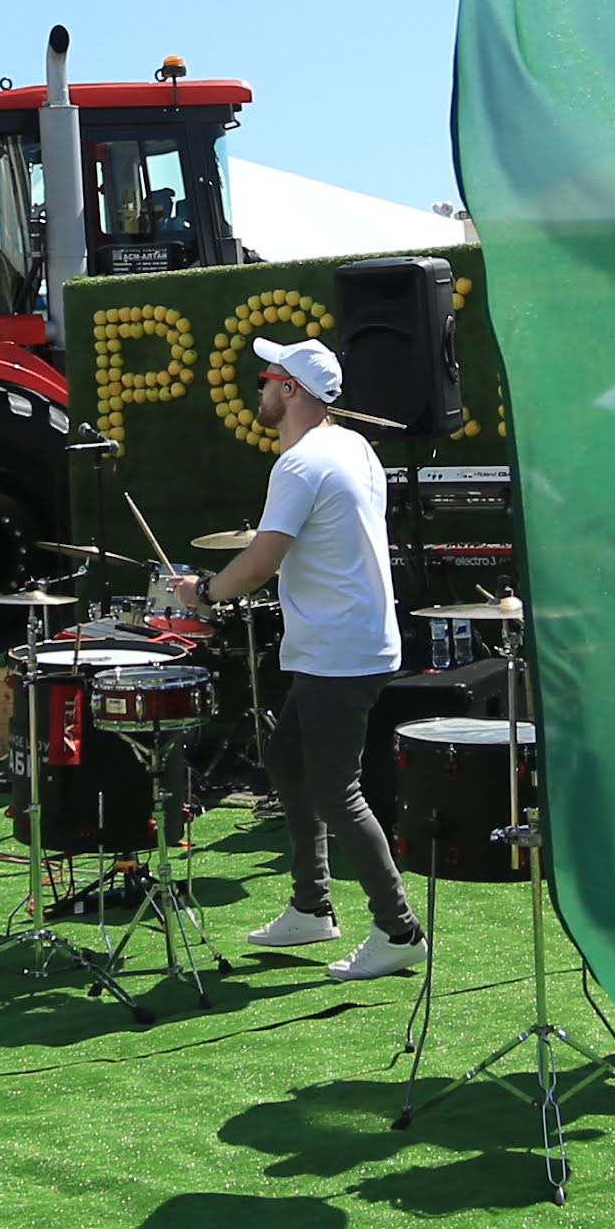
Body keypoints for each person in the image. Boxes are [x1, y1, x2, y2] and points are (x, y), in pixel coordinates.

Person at [202, 336, 427, 982]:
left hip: (339, 651)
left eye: (266, 378)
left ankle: (399, 929)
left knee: (336, 789)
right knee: (286, 758)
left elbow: (260, 561)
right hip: (347, 643)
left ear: (290, 390)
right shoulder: (351, 446)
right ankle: (311, 905)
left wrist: (206, 592)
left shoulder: (300, 466)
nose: (259, 387)